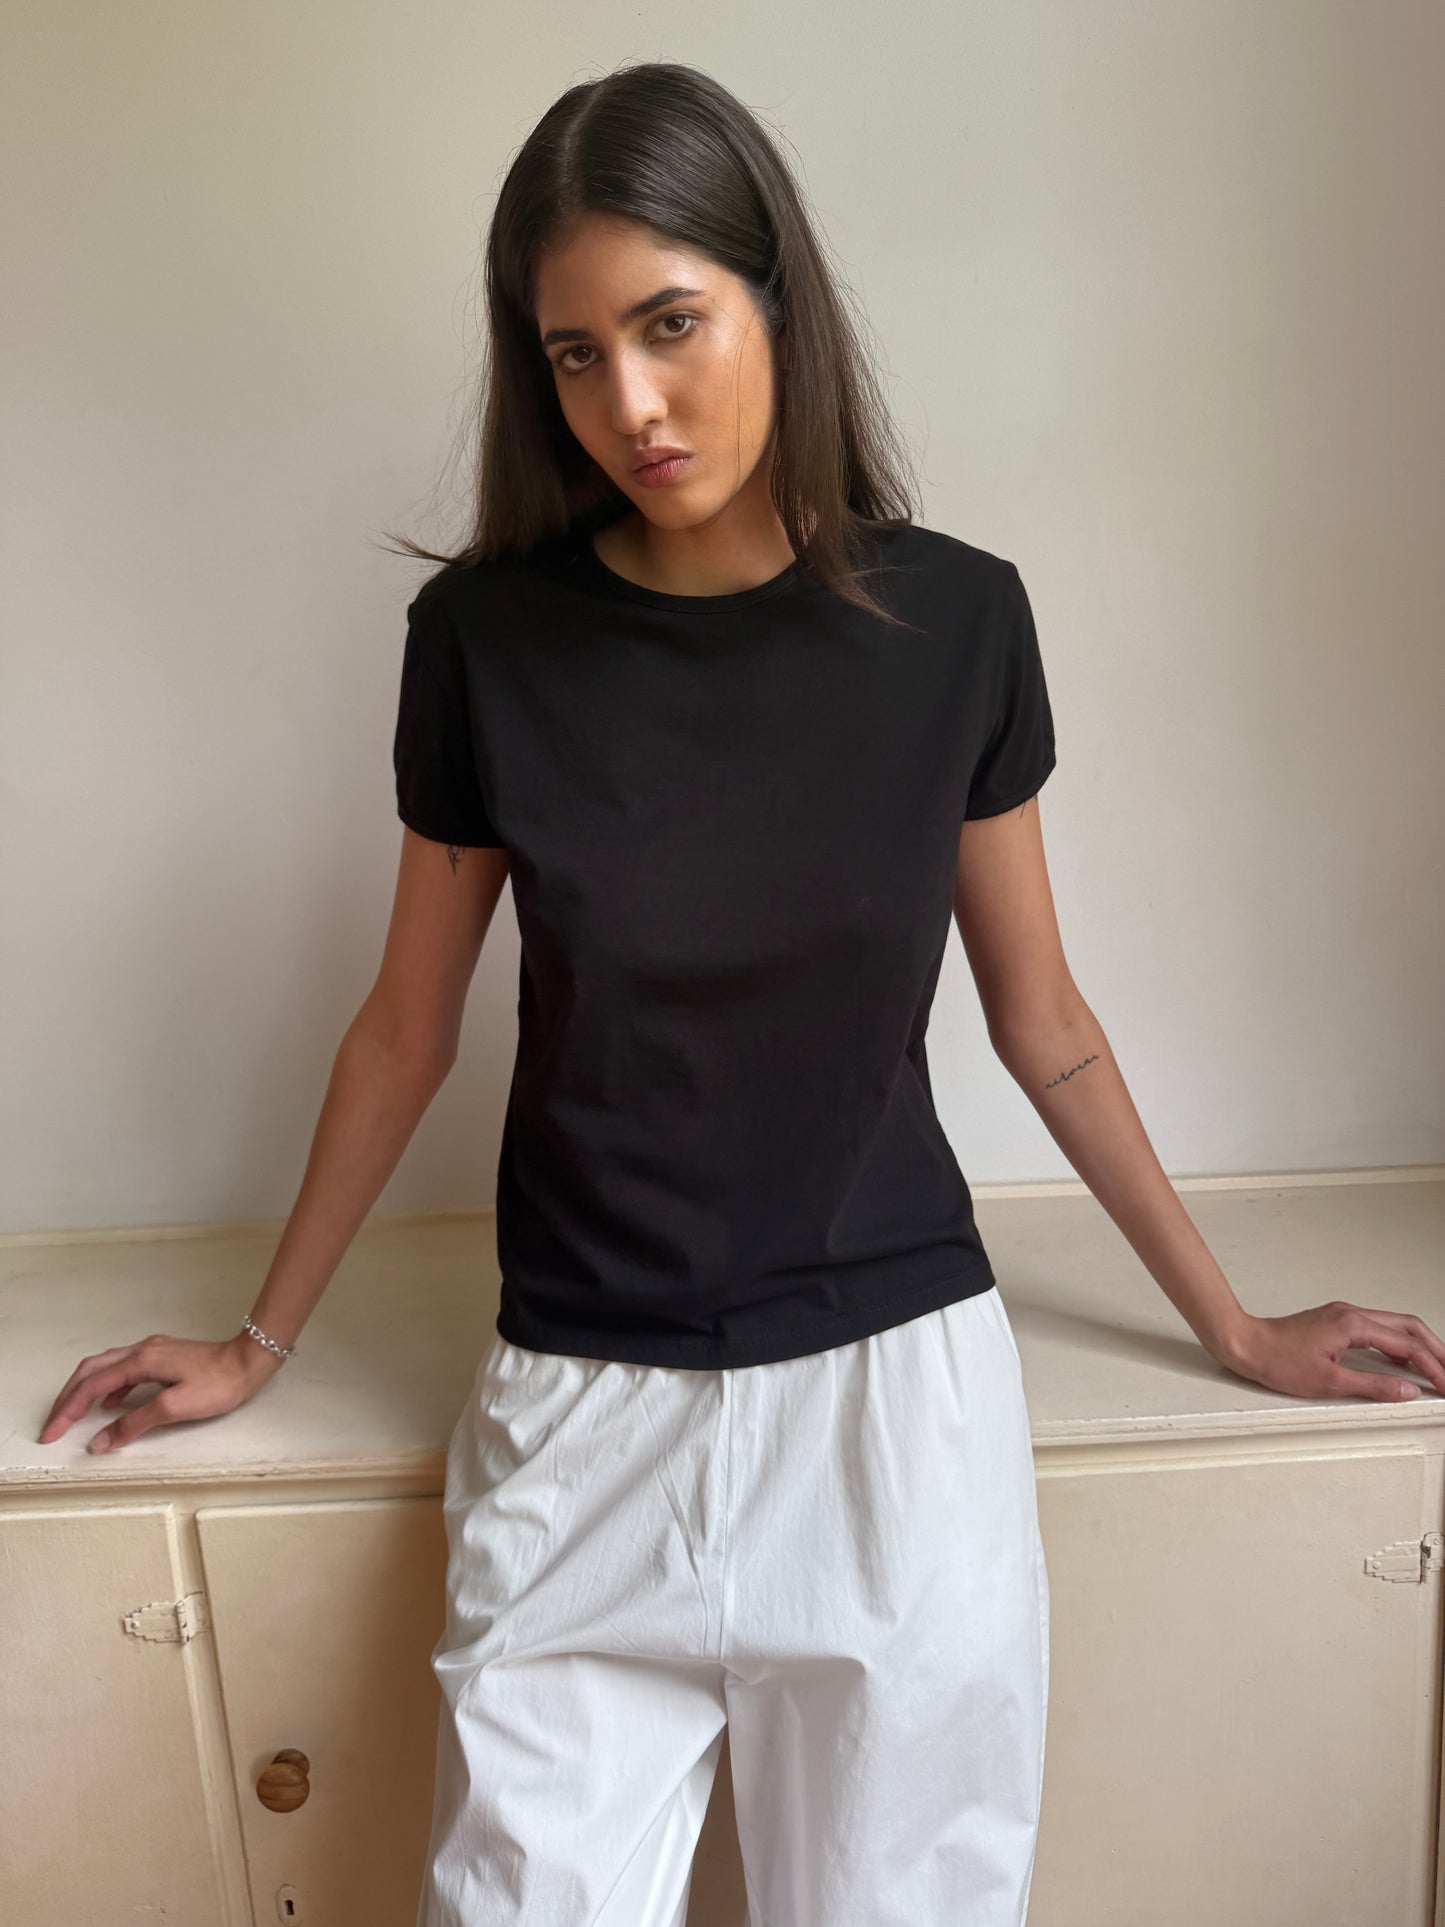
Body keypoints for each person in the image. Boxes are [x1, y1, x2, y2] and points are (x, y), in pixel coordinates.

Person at [37, 56, 1444, 1927]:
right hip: (578, 1407)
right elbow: (405, 1024)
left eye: (669, 324)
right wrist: (259, 1343)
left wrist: (1240, 1330)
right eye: (569, 355)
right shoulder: (485, 643)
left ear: (776, 294)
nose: (627, 401)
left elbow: (1048, 1023)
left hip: (894, 1429)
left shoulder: (955, 625)